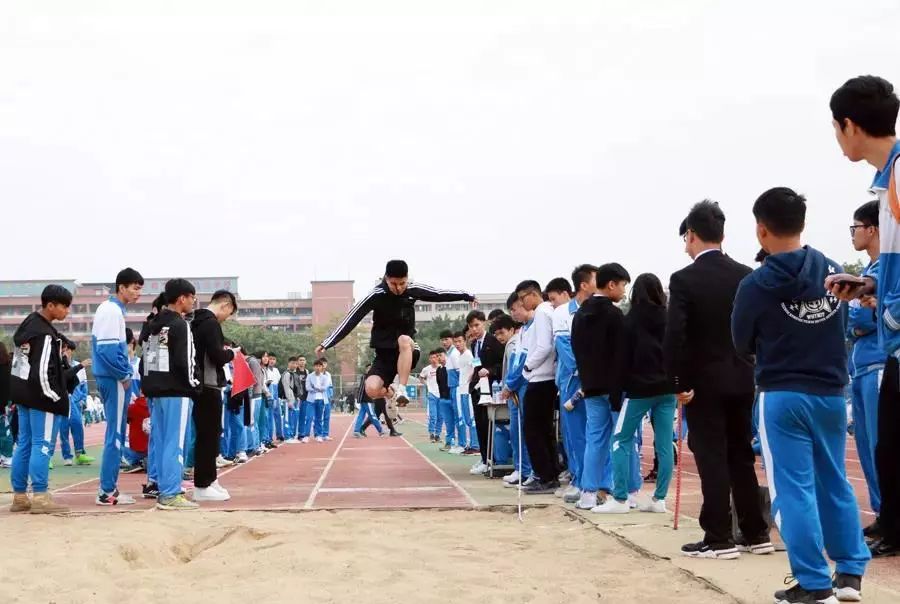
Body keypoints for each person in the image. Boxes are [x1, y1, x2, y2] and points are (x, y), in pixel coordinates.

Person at [734, 188, 869, 603]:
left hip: (781, 393)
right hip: (830, 391)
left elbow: (741, 341)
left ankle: (813, 582)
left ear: (761, 230)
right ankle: (849, 574)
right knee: (835, 480)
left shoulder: (755, 285)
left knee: (792, 489)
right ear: (802, 224)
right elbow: (843, 317)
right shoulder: (831, 269)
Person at [664, 201, 770, 559]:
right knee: (741, 454)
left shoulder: (683, 279)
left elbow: (675, 334)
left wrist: (677, 380)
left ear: (691, 235)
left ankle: (719, 536)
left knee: (711, 456)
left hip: (702, 384)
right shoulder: (745, 274)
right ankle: (756, 532)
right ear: (723, 234)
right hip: (743, 378)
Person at [827, 75, 900, 558]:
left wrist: (892, 312)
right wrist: (873, 285)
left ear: (849, 125)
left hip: (892, 341)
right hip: (892, 341)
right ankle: (892, 526)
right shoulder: (886, 182)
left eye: (835, 127)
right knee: (888, 449)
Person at [315, 259, 475, 412]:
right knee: (371, 389)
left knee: (403, 339)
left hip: (408, 350)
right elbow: (352, 318)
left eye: (402, 283)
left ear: (407, 279)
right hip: (384, 355)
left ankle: (402, 390)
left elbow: (439, 294)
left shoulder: (412, 290)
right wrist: (327, 342)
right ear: (386, 279)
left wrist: (467, 295)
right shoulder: (375, 295)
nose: (398, 288)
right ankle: (390, 393)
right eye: (394, 284)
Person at [600, 273, 676, 515]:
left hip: (639, 390)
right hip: (667, 390)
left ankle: (620, 498)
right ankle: (659, 498)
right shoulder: (669, 319)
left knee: (620, 439)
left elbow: (620, 360)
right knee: (664, 443)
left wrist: (615, 392)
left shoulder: (629, 320)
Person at [8, 285, 73, 514]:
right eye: (64, 306)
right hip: (41, 399)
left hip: (22, 395)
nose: (67, 311)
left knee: (23, 444)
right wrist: (55, 398)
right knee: (42, 445)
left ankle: (19, 496)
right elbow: (43, 372)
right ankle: (41, 496)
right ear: (50, 305)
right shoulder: (45, 334)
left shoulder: (27, 326)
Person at [571, 264, 629, 512]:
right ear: (612, 284)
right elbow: (622, 354)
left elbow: (576, 350)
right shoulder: (615, 315)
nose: (625, 291)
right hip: (614, 388)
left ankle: (587, 493)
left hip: (591, 386)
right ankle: (625, 493)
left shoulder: (580, 315)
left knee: (594, 440)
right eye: (624, 285)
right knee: (622, 440)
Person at [142, 279, 200, 510]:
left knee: (162, 442)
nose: (193, 301)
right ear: (182, 298)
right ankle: (170, 493)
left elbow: (144, 360)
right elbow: (185, 361)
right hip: (177, 392)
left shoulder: (152, 325)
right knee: (175, 444)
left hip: (155, 392)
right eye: (192, 297)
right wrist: (195, 386)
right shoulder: (179, 325)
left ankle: (162, 487)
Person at [845, 200, 884, 535]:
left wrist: (864, 318)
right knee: (866, 445)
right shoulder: (865, 275)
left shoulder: (887, 271)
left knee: (880, 445)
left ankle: (890, 515)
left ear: (872, 229)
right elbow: (853, 322)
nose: (852, 234)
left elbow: (866, 319)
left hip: (879, 365)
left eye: (855, 227)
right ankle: (882, 512)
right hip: (859, 367)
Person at [93, 267, 144, 506]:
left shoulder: (112, 310)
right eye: (135, 288)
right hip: (112, 379)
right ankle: (107, 491)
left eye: (139, 289)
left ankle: (108, 488)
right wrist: (124, 375)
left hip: (109, 377)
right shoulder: (111, 311)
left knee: (116, 433)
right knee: (115, 435)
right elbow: (107, 350)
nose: (137, 293)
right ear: (121, 287)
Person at [548, 271, 593, 504]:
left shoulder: (599, 307)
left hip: (595, 379)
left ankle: (595, 482)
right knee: (575, 433)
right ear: (584, 284)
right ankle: (578, 480)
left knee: (595, 433)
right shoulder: (562, 313)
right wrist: (583, 370)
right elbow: (564, 347)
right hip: (573, 379)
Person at [190, 290, 237, 502]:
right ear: (225, 305)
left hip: (204, 384)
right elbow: (217, 355)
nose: (227, 318)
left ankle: (210, 479)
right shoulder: (210, 324)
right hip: (208, 385)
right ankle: (202, 484)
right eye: (229, 313)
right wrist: (232, 354)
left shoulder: (197, 322)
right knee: (208, 435)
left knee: (210, 433)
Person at [514, 281, 559, 493]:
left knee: (533, 430)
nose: (523, 303)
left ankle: (545, 476)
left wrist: (528, 366)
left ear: (533, 294)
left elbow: (544, 346)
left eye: (523, 298)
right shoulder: (549, 310)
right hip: (548, 378)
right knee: (545, 429)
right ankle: (551, 474)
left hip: (540, 378)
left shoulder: (542, 312)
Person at [494, 309, 534, 488]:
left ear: (511, 329)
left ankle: (524, 470)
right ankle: (521, 468)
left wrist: (509, 387)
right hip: (514, 390)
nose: (500, 337)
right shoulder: (513, 343)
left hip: (517, 391)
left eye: (502, 332)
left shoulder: (514, 344)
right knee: (516, 432)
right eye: (496, 334)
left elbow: (516, 369)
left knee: (519, 432)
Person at [466, 310, 503, 476]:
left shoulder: (494, 341)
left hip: (492, 388)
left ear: (484, 323)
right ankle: (484, 458)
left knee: (489, 425)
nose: (474, 329)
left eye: (477, 325)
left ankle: (493, 459)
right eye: (471, 326)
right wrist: (473, 378)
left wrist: (490, 370)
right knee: (480, 425)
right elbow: (476, 364)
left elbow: (502, 364)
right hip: (478, 389)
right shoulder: (474, 344)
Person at [305, 359, 330, 442]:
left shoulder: (325, 377)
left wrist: (315, 387)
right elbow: (308, 387)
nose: (318, 368)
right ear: (314, 367)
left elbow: (324, 388)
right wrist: (317, 388)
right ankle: (306, 435)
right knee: (309, 417)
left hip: (321, 400)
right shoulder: (309, 376)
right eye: (316, 366)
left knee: (319, 418)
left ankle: (318, 435)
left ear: (322, 367)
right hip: (311, 400)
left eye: (319, 366)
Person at [420, 352, 441, 442]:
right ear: (429, 359)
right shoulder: (426, 369)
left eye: (435, 357)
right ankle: (431, 433)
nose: (433, 359)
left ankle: (438, 434)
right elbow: (421, 378)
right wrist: (427, 384)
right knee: (433, 416)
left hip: (441, 394)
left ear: (438, 358)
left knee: (441, 416)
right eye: (431, 358)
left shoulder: (442, 367)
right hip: (432, 394)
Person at [0, 342, 11, 468]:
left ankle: (7, 456)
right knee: (6, 431)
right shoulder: (10, 366)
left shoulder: (8, 366)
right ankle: (6, 456)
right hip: (7, 403)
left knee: (5, 431)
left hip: (5, 404)